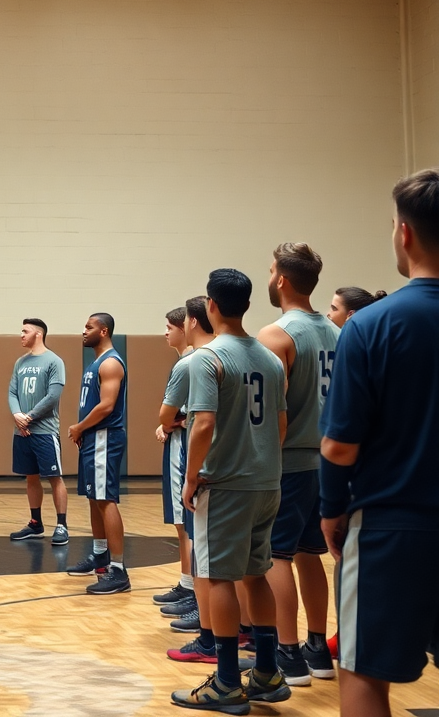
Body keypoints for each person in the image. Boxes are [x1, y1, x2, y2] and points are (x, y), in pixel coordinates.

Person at [320, 169, 439, 717]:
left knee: (364, 672)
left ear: (405, 234)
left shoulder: (370, 326)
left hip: (394, 525)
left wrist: (332, 510)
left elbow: (340, 448)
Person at [169, 268, 291, 712]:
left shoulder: (207, 358)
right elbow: (280, 424)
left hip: (226, 485)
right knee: (255, 574)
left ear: (211, 306)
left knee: (218, 576)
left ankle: (225, 681)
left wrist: (191, 475)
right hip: (267, 482)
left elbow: (202, 423)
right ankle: (266, 671)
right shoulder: (270, 358)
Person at [257, 242, 340, 685]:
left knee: (276, 556)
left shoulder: (277, 334)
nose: (269, 276)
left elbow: (276, 414)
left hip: (289, 463)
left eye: (271, 270)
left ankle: (287, 654)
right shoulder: (338, 332)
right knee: (312, 555)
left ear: (282, 279)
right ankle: (317, 649)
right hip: (328, 462)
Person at [165, 296, 220, 663]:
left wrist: (191, 475)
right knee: (254, 565)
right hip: (256, 473)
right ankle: (273, 652)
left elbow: (198, 420)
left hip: (210, 470)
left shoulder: (199, 360)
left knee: (209, 556)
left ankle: (210, 635)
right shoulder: (262, 351)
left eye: (177, 322)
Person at [67, 313, 130, 594]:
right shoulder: (96, 362)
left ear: (103, 331)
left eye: (89, 327)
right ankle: (100, 555)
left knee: (105, 499)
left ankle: (118, 570)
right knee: (94, 497)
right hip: (93, 438)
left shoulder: (111, 362)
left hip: (105, 436)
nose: (84, 331)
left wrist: (79, 426)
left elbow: (106, 406)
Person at [6, 318, 70, 545]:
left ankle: (62, 525)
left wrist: (29, 417)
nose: (21, 335)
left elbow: (53, 396)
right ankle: (36, 523)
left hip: (45, 431)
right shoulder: (20, 362)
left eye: (25, 331)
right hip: (22, 432)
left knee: (54, 477)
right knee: (30, 478)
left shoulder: (54, 361)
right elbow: (12, 393)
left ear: (38, 334)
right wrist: (17, 416)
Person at [154, 308, 195, 617]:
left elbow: (184, 413)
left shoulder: (191, 362)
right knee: (182, 525)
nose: (165, 332)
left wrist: (168, 422)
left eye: (170, 327)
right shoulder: (183, 361)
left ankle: (194, 588)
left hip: (185, 448)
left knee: (187, 525)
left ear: (185, 327)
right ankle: (186, 581)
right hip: (178, 443)